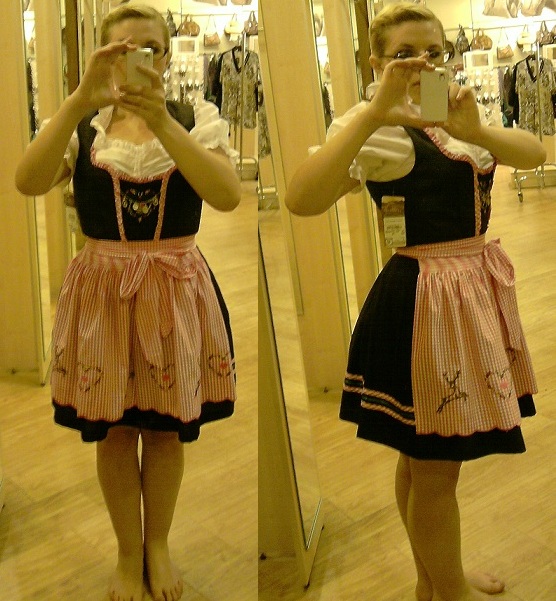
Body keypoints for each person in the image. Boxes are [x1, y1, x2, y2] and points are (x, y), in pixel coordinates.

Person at [285, 4, 545, 601]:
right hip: (425, 306)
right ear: (375, 63)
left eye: (432, 51)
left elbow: (532, 153)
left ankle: (434, 579)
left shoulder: (459, 112)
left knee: (421, 461)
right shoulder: (373, 127)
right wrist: (373, 112)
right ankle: (448, 589)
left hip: (468, 297)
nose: (421, 63)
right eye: (403, 54)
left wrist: (476, 132)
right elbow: (301, 198)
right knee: (435, 468)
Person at [16, 5, 241, 601]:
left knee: (165, 431)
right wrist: (76, 102)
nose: (136, 59)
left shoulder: (195, 118)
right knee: (114, 431)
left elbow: (226, 196)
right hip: (102, 296)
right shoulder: (83, 126)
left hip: (175, 290)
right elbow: (28, 181)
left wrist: (164, 122)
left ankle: (157, 544)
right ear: (103, 57)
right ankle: (125, 550)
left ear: (166, 57)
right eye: (121, 50)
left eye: (149, 49)